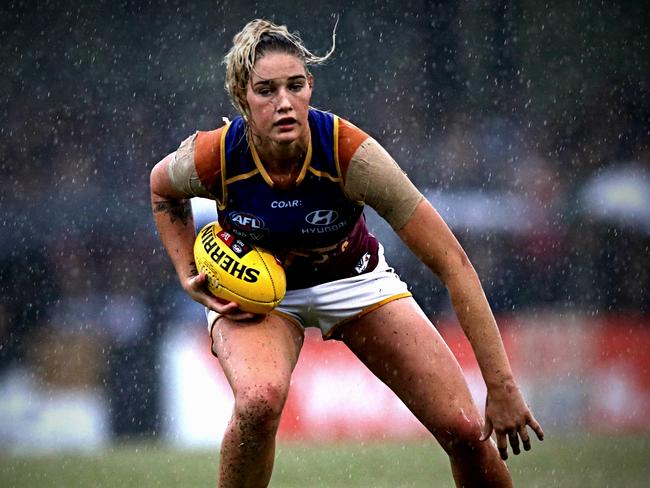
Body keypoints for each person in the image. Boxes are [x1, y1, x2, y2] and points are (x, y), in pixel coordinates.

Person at [150, 19, 544, 488]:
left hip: (353, 278)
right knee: (258, 403)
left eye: (295, 86)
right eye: (266, 90)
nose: (283, 103)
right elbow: (161, 187)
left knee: (463, 428)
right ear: (241, 96)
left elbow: (453, 264)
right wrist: (184, 270)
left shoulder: (350, 154)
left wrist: (501, 387)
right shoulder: (214, 155)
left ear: (310, 87)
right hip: (256, 293)